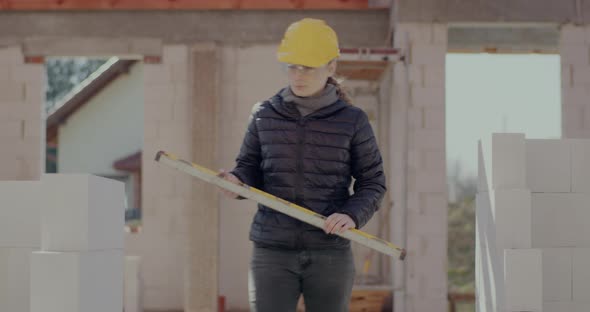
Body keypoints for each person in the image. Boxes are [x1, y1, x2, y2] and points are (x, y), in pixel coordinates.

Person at [218, 18, 387, 312]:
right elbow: (249, 167)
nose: (298, 74)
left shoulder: (353, 121)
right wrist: (236, 181)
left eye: (308, 67)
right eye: (292, 66)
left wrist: (351, 215)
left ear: (331, 67)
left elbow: (373, 183)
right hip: (272, 250)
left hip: (329, 251)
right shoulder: (263, 114)